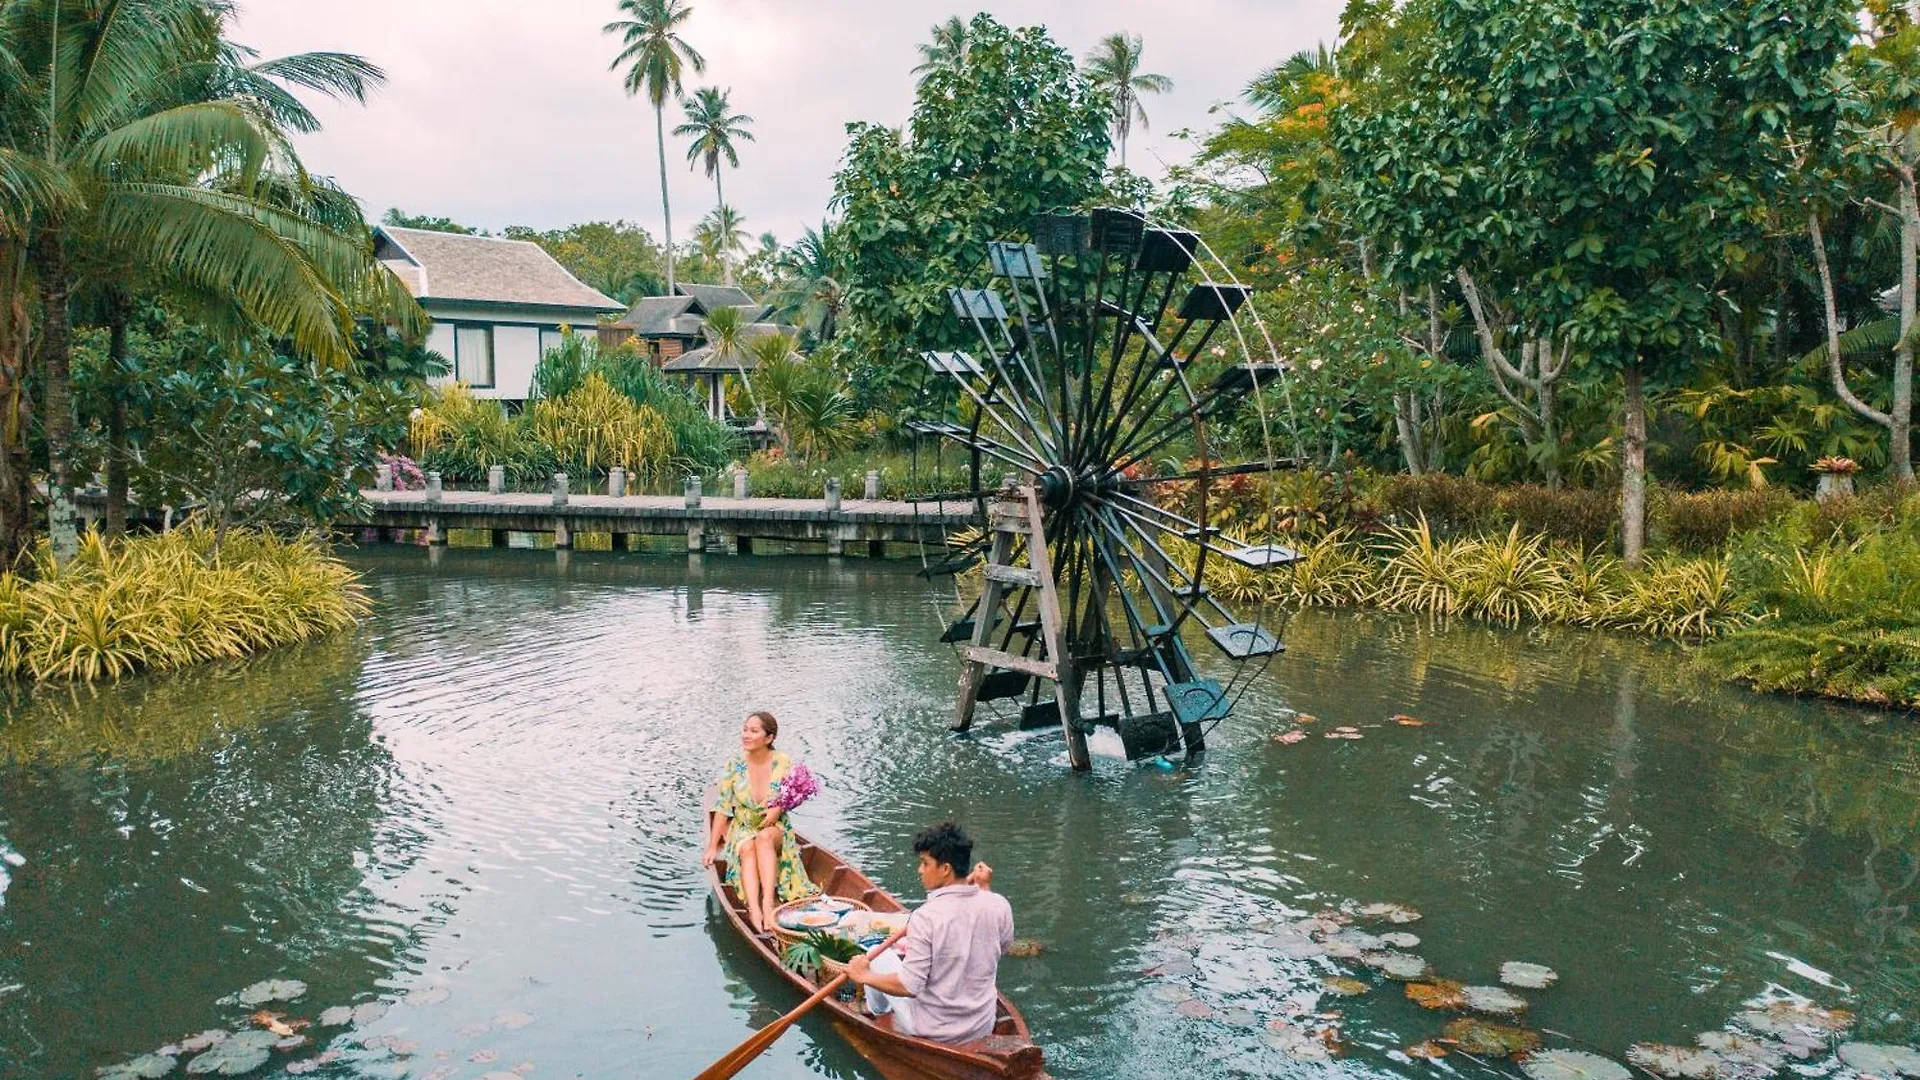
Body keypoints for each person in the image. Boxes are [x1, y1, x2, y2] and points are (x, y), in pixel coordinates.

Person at [845, 822, 1013, 1045]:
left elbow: (909, 986)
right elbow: (1001, 947)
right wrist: (985, 889)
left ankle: (876, 1011)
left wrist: (864, 975)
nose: (920, 870)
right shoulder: (997, 904)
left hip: (934, 1030)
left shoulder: (926, 917)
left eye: (925, 863)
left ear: (945, 869)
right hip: (981, 1024)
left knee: (875, 953)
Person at [702, 711, 818, 932]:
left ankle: (767, 903)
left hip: (773, 827)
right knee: (747, 848)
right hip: (744, 826)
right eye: (745, 730)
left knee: (763, 839)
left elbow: (794, 792)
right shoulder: (734, 765)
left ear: (769, 738)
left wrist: (778, 808)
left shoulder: (782, 762)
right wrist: (711, 847)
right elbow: (723, 807)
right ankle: (754, 908)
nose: (746, 735)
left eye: (754, 731)